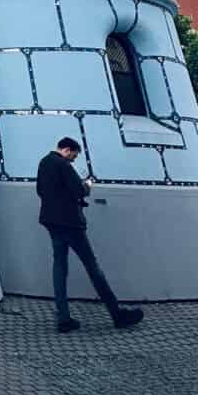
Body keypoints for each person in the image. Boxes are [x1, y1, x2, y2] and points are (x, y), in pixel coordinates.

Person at [36, 136, 144, 333]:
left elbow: (40, 191)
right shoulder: (63, 165)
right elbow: (79, 191)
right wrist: (88, 185)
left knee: (59, 268)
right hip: (71, 223)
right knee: (93, 268)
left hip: (51, 222)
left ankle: (63, 318)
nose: (73, 160)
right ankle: (117, 314)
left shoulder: (43, 162)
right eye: (74, 156)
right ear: (67, 150)